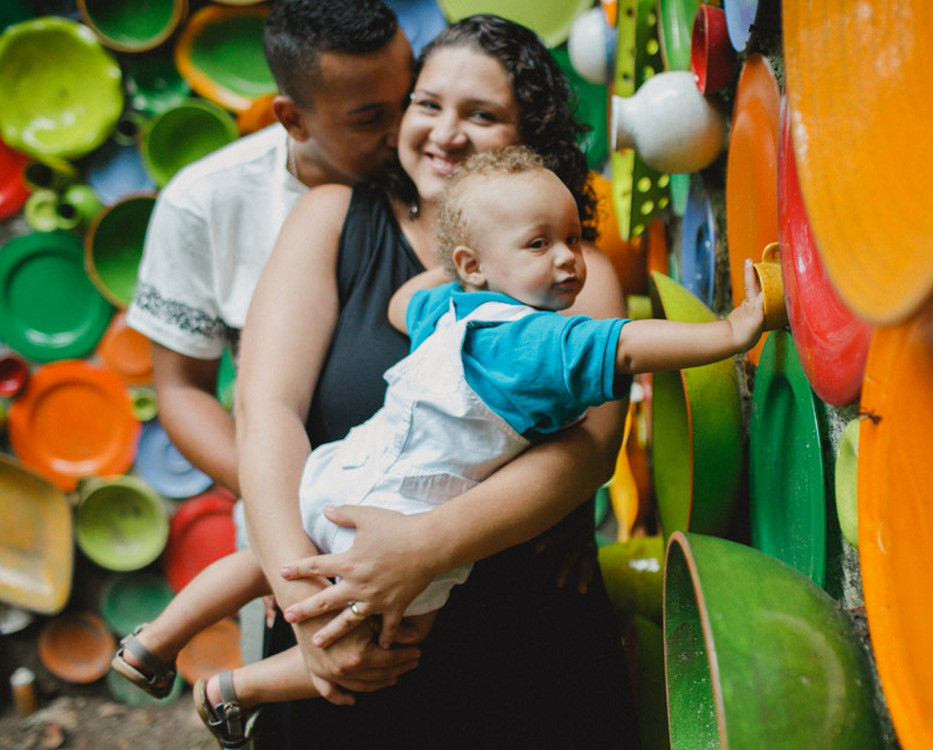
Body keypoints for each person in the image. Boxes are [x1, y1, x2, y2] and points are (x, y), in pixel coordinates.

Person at [111, 147, 765, 748]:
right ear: (475, 263)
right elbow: (630, 345)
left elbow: (400, 304)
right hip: (400, 515)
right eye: (539, 244)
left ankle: (155, 641)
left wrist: (462, 272)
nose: (568, 259)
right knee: (385, 645)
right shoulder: (544, 344)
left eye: (571, 238)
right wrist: (730, 334)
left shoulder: (449, 311)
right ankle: (238, 689)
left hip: (339, 475)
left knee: (265, 564)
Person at [234, 14, 658, 749]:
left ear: (529, 140)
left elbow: (589, 451)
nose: (446, 134)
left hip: (518, 641)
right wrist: (300, 594)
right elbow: (267, 408)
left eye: (482, 116)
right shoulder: (333, 219)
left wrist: (423, 548)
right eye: (428, 104)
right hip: (336, 620)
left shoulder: (572, 271)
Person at [123, 0, 413, 660]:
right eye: (370, 117)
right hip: (285, 540)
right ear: (292, 118)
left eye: (411, 98)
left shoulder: (446, 171)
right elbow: (181, 390)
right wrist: (288, 513)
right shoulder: (205, 204)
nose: (405, 133)